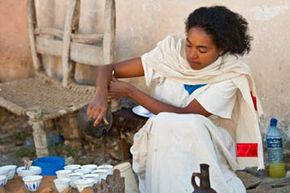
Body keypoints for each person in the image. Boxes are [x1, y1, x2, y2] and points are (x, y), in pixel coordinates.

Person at [87, 5, 264, 193]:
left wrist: (131, 92)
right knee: (164, 124)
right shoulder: (171, 54)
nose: (192, 54)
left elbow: (187, 116)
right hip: (165, 138)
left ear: (222, 49)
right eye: (189, 45)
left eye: (202, 50)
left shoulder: (230, 74)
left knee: (180, 123)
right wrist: (100, 95)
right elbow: (108, 69)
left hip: (208, 142)